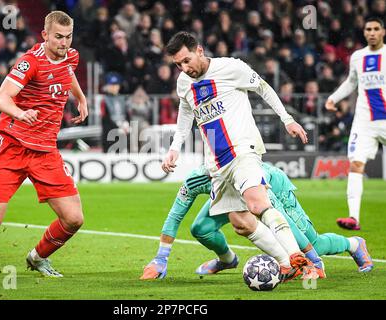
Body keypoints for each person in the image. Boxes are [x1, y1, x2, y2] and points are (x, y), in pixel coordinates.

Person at [161, 31, 315, 282]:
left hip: (243, 150)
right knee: (240, 223)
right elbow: (185, 115)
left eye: (187, 60)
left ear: (199, 50)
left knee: (256, 203)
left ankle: (295, 254)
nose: (184, 68)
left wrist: (287, 119)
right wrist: (174, 147)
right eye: (178, 64)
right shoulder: (183, 82)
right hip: (217, 163)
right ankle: (287, 264)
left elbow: (263, 88)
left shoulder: (231, 67)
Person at [0, 11, 88, 278]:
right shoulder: (31, 62)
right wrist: (20, 113)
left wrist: (80, 98)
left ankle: (38, 257)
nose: (64, 43)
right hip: (12, 145)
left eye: (68, 37)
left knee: (74, 219)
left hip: (45, 151)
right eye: (58, 37)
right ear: (45, 35)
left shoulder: (71, 56)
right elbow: (1, 99)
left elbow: (68, 72)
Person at [140, 163, 374, 280]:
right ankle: (227, 260)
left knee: (315, 243)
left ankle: (354, 244)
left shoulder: (255, 181)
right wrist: (161, 257)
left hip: (274, 187)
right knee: (201, 228)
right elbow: (175, 215)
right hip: (228, 195)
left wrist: (312, 261)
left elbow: (284, 224)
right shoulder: (197, 180)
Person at [325, 17, 386, 230]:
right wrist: (334, 98)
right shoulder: (358, 57)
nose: (372, 32)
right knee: (356, 164)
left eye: (376, 29)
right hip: (365, 122)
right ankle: (353, 217)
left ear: (383, 32)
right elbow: (351, 82)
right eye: (368, 29)